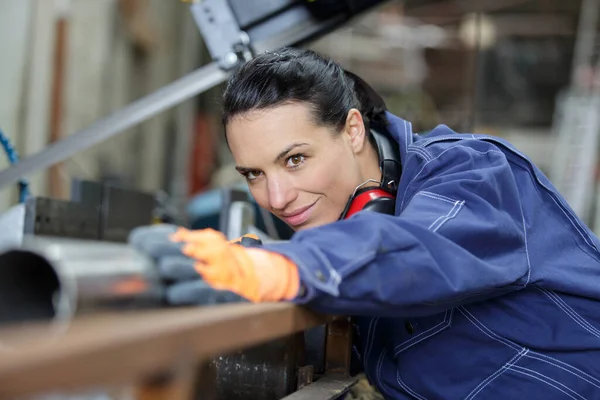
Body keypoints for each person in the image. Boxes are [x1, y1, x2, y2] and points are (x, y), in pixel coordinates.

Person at [130, 47, 600, 399]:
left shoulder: (471, 171)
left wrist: (277, 268)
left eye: (295, 159)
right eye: (254, 173)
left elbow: (417, 251)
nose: (276, 198)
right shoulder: (346, 249)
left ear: (353, 130)